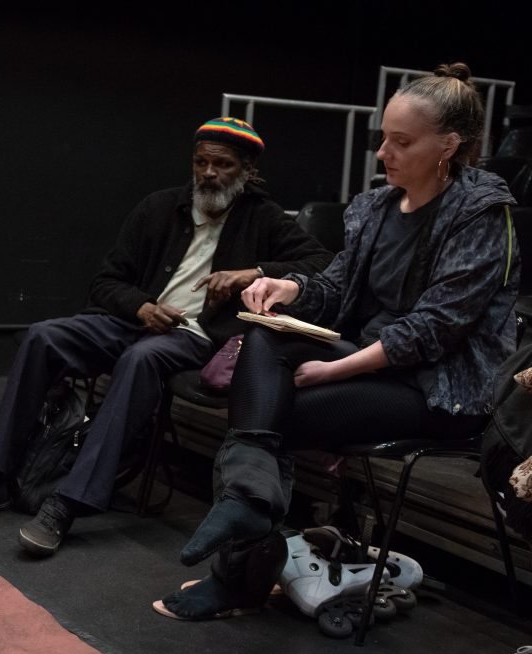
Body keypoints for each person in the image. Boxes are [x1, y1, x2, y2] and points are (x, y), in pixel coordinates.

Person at [158, 63, 520, 620]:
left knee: (268, 416)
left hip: (437, 389)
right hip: (369, 364)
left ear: (449, 144)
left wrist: (335, 372)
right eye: (382, 139)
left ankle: (238, 570)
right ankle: (248, 514)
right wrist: (291, 286)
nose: (383, 153)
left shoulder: (482, 215)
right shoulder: (376, 207)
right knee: (263, 337)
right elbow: (334, 286)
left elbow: (437, 328)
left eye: (401, 142)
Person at [0, 117, 334, 557]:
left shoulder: (263, 218)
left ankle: (68, 501)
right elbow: (105, 282)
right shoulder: (157, 208)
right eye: (201, 162)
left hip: (196, 336)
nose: (209, 173)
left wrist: (254, 272)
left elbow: (324, 262)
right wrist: (140, 306)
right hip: (135, 320)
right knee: (44, 336)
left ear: (248, 171)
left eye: (223, 164)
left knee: (143, 359)